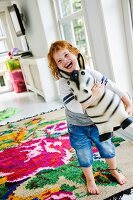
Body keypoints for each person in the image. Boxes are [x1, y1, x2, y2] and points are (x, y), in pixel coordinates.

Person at [47, 40, 133, 195]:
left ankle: (113, 170)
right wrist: (96, 95)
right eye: (59, 61)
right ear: (57, 67)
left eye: (66, 55)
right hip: (77, 126)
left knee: (107, 147)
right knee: (83, 153)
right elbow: (75, 107)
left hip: (99, 123)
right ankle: (90, 179)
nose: (65, 60)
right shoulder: (64, 84)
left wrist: (128, 102)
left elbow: (112, 86)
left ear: (75, 53)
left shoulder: (91, 73)